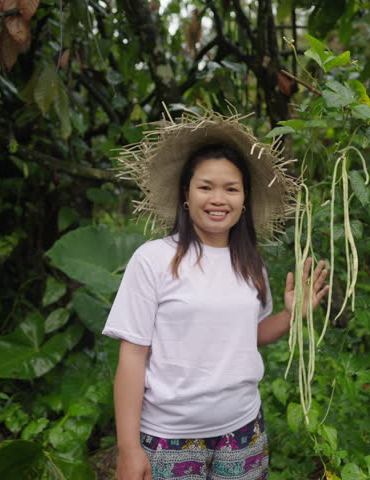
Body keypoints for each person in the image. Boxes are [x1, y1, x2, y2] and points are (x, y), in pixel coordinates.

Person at [103, 111, 329, 480]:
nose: (218, 199)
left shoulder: (249, 262)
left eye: (231, 188)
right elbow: (132, 357)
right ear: (186, 195)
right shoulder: (153, 260)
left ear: (244, 200)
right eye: (205, 187)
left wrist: (292, 314)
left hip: (243, 431)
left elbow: (249, 335)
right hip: (168, 437)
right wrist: (129, 449)